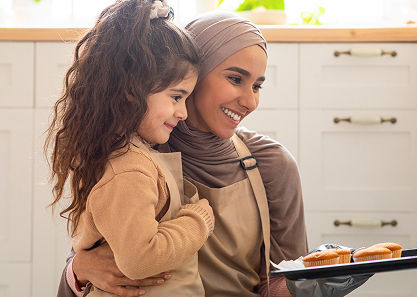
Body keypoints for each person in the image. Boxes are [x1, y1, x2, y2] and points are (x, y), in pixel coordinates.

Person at [57, 10, 308, 297]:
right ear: (190, 75)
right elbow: (89, 257)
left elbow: (280, 280)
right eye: (235, 79)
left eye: (257, 86)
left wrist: (314, 284)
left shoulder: (272, 164)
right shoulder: (133, 156)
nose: (250, 101)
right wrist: (78, 270)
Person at [46, 0, 215, 296]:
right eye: (176, 97)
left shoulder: (131, 154)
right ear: (130, 91)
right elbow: (140, 259)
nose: (184, 112)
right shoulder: (128, 168)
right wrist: (198, 220)